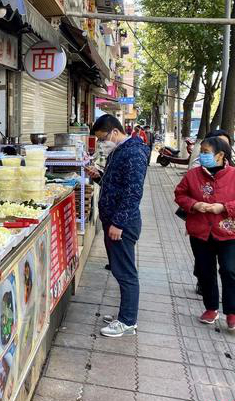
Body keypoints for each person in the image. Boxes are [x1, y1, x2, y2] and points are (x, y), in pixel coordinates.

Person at [175, 137, 235, 331]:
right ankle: (211, 308)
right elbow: (180, 194)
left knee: (229, 270)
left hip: (229, 233)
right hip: (201, 232)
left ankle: (232, 313)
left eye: (205, 152)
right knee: (205, 270)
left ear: (220, 155)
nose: (202, 155)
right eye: (201, 151)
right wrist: (194, 204)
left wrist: (224, 207)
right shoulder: (193, 175)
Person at [86, 114, 150, 337]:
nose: (102, 143)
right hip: (113, 219)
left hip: (122, 223)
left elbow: (133, 192)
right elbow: (115, 185)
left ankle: (127, 321)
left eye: (103, 138)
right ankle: (125, 315)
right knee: (120, 269)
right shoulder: (121, 151)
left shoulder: (133, 152)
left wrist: (119, 223)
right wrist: (97, 177)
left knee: (125, 272)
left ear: (114, 131)